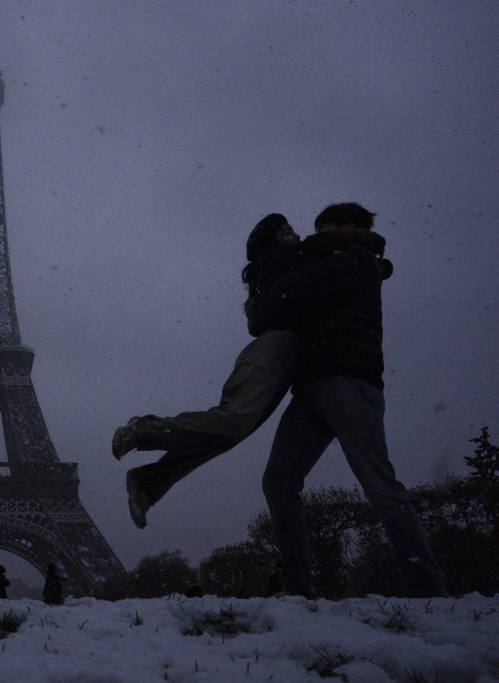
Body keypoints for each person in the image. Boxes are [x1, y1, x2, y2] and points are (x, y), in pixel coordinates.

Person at [112, 213, 387, 528]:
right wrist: (367, 243)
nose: (295, 234)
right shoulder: (287, 258)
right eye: (284, 231)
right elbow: (327, 251)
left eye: (291, 229)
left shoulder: (286, 264)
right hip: (278, 347)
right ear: (270, 243)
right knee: (233, 421)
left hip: (291, 361)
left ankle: (150, 481)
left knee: (230, 431)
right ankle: (143, 430)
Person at [253, 202, 446, 598]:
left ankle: (428, 588)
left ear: (346, 228)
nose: (314, 236)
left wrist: (271, 269)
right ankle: (296, 588)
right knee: (279, 482)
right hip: (313, 388)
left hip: (347, 382)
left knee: (377, 483)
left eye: (324, 228)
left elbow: (290, 292)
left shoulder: (356, 260)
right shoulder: (342, 260)